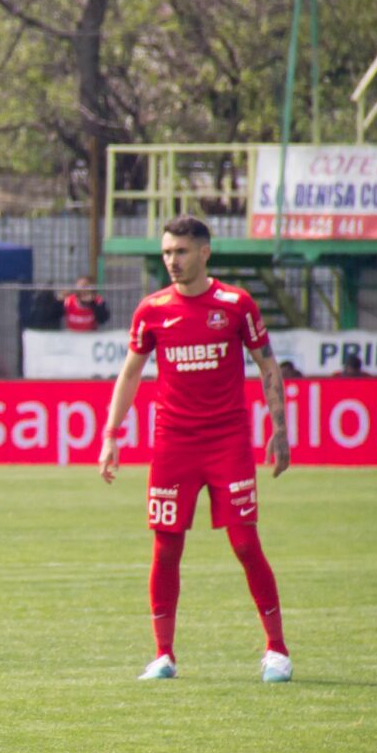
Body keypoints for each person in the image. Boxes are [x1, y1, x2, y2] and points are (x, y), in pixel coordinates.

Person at [98, 215, 293, 683]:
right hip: (173, 445)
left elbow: (268, 366)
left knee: (245, 543)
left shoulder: (235, 304)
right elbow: (129, 374)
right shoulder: (152, 310)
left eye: (180, 252)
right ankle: (164, 655)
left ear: (204, 252)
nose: (172, 261)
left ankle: (277, 651)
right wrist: (110, 434)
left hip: (227, 442)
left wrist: (280, 429)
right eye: (166, 253)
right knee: (166, 549)